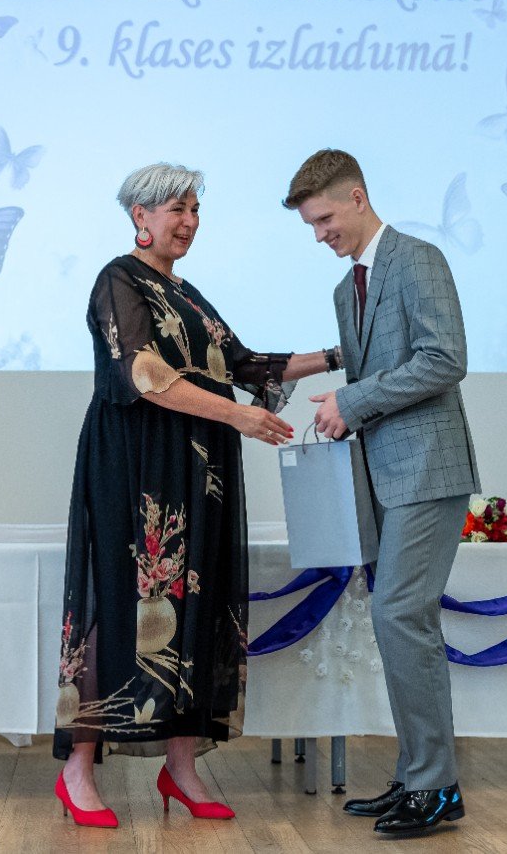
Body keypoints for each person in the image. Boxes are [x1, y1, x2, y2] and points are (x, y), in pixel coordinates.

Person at [54, 163, 340, 828]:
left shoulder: (189, 295)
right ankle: (78, 769)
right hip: (135, 464)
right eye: (175, 209)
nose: (188, 222)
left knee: (196, 604)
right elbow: (142, 373)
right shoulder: (119, 279)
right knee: (119, 603)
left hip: (197, 467)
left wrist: (339, 354)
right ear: (140, 217)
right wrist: (238, 415)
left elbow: (246, 365)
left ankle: (180, 767)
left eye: (194, 209)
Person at [283, 149, 480, 835]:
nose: (320, 235)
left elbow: (445, 359)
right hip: (380, 478)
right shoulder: (347, 290)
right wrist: (341, 409)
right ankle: (419, 777)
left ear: (357, 198)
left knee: (400, 613)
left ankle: (436, 785)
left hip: (429, 469)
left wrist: (354, 401)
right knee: (399, 620)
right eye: (311, 226)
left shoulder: (418, 259)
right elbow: (371, 377)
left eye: (325, 219)